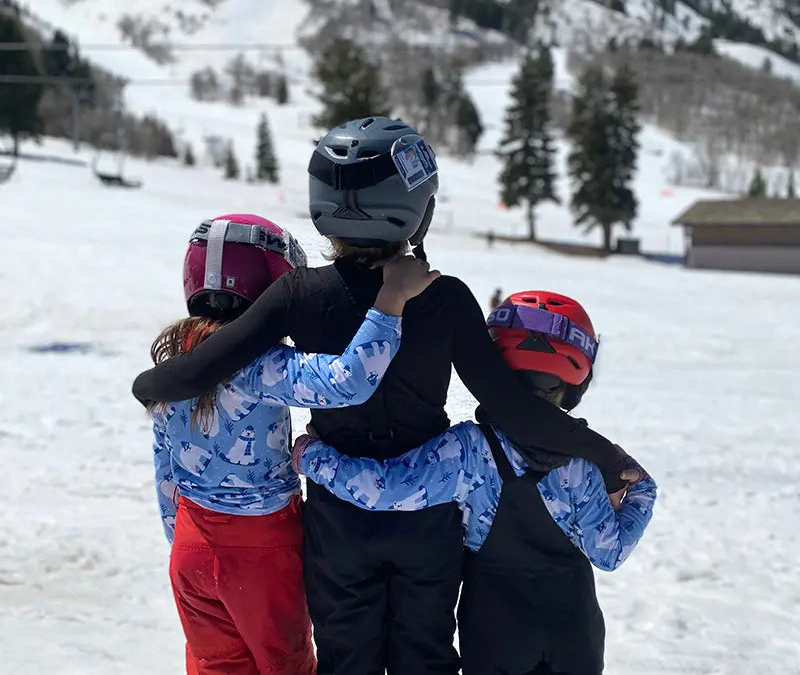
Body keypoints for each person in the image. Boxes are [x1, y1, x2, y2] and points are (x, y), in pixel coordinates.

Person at [133, 118, 633, 675]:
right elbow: (515, 412)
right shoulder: (444, 298)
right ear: (417, 210)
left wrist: (149, 384)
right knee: (425, 654)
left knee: (348, 657)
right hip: (427, 513)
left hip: (337, 513)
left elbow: (202, 368)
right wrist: (608, 457)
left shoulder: (299, 292)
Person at [294, 290, 657, 675]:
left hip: (495, 633)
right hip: (575, 632)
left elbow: (382, 490)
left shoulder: (470, 449)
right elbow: (609, 553)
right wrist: (641, 487)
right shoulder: (585, 464)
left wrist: (312, 457)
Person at [145, 212, 439, 675]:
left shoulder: (171, 369)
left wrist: (186, 542)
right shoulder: (262, 365)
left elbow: (165, 470)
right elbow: (350, 382)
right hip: (261, 549)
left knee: (215, 665)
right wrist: (390, 299)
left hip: (190, 544)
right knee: (286, 664)